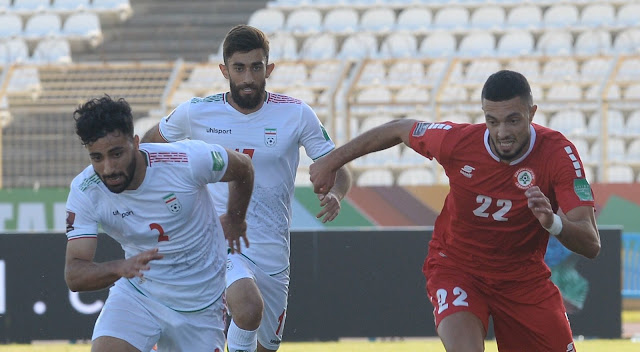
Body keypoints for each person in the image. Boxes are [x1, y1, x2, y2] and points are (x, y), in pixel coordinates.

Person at [310, 70, 601, 351]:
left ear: (532, 113)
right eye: (492, 121)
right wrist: (330, 162)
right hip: (458, 268)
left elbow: (591, 243)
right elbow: (399, 128)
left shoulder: (559, 154)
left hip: (523, 280)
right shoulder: (457, 141)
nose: (502, 132)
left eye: (513, 120)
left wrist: (553, 222)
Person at [142, 24, 352, 352]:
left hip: (271, 247)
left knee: (264, 345)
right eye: (239, 68)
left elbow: (338, 168)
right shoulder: (196, 111)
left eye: (256, 67)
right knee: (248, 307)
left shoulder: (296, 114)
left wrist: (336, 193)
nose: (248, 78)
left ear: (268, 68)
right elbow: (147, 149)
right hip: (217, 238)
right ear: (224, 70)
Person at [64, 95, 254, 352]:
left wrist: (235, 217)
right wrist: (120, 267)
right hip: (140, 295)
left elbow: (243, 168)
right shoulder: (86, 190)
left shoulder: (186, 160)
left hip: (199, 303)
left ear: (135, 143)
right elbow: (74, 274)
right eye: (97, 158)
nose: (108, 168)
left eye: (116, 153)